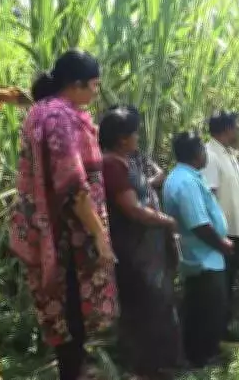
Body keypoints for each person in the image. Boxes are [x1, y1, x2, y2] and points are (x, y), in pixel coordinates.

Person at [10, 49, 118, 380]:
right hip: (67, 237)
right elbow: (73, 186)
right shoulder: (60, 118)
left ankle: (73, 369)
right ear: (75, 84)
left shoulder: (40, 112)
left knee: (65, 312)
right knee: (73, 310)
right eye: (94, 85)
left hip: (50, 231)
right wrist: (100, 236)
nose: (96, 92)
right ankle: (73, 373)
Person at [99, 105, 181, 379]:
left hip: (147, 249)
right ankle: (143, 369)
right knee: (142, 306)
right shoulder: (112, 164)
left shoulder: (128, 160)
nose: (137, 138)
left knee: (156, 303)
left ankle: (157, 365)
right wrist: (166, 220)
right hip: (133, 250)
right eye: (134, 133)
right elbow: (132, 209)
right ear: (122, 138)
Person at [163, 131, 231, 367]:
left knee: (201, 308)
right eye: (202, 150)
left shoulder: (185, 176)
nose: (205, 154)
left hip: (203, 257)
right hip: (202, 259)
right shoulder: (186, 182)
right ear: (196, 154)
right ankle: (201, 357)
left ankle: (199, 354)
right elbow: (198, 224)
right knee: (206, 310)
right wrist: (222, 244)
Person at [201, 110, 239, 324]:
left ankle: (224, 325)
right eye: (235, 126)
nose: (238, 130)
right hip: (223, 233)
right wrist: (216, 235)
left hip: (236, 229)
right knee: (219, 284)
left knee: (228, 282)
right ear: (227, 129)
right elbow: (209, 196)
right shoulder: (210, 156)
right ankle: (216, 330)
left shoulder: (228, 154)